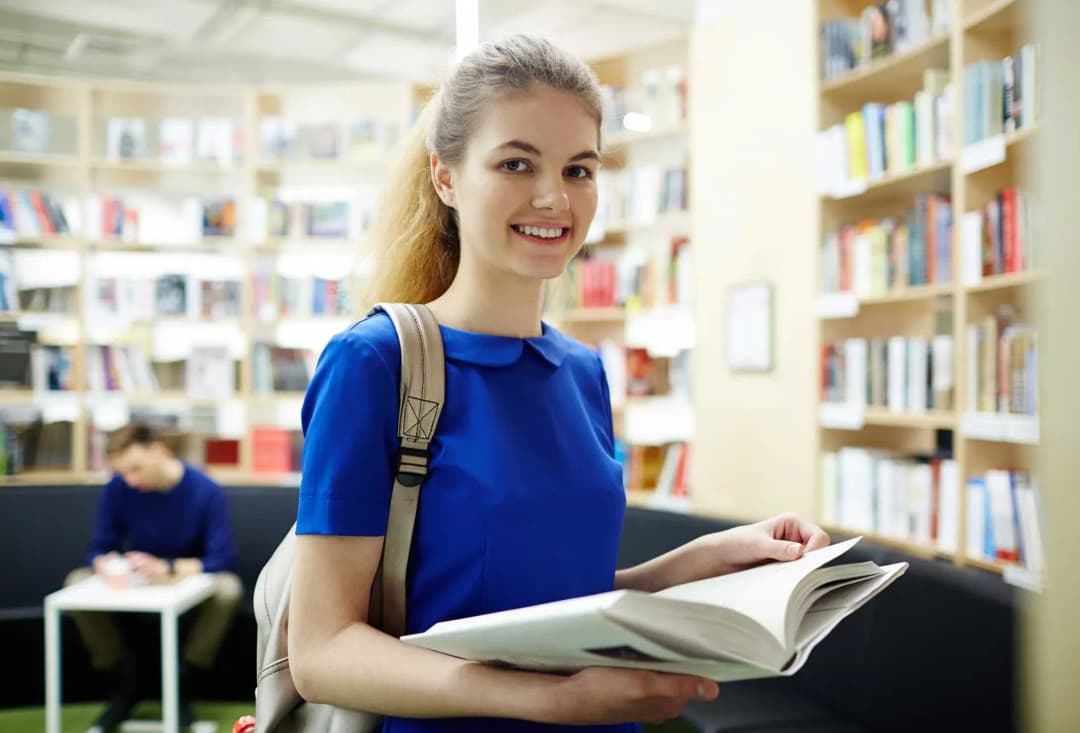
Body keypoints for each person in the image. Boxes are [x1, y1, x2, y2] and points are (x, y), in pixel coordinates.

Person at [289, 34, 829, 733]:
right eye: (517, 163)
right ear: (445, 177)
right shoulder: (373, 363)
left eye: (579, 169)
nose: (553, 197)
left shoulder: (580, 372)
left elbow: (551, 600)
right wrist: (540, 700)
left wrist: (704, 561)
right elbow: (322, 650)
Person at [65, 422, 242, 733]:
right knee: (74, 582)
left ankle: (182, 682)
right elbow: (98, 548)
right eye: (123, 472)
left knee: (228, 589)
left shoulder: (205, 490)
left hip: (183, 576)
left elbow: (221, 558)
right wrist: (107, 564)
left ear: (159, 451)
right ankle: (123, 680)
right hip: (134, 580)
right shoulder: (116, 488)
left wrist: (169, 568)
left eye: (136, 469)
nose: (131, 481)